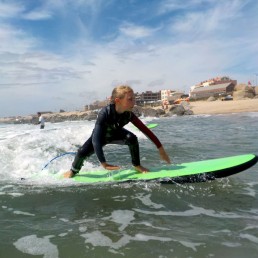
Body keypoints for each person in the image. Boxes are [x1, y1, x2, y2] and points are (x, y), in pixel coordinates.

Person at [63, 85, 171, 178]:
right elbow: (96, 139)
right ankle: (73, 171)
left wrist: (160, 148)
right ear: (118, 101)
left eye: (134, 98)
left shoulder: (128, 114)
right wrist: (103, 163)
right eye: (130, 99)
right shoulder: (105, 113)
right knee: (82, 152)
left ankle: (137, 165)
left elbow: (145, 130)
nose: (134, 101)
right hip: (100, 137)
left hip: (115, 134)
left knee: (132, 138)